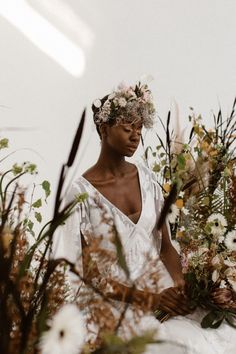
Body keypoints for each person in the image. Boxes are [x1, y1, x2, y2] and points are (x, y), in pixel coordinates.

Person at [54, 81, 236, 354]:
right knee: (177, 346)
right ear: (104, 129)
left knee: (223, 328)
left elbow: (165, 247)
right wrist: (151, 300)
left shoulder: (146, 178)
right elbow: (86, 275)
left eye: (139, 128)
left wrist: (180, 287)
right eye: (127, 127)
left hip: (160, 285)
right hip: (116, 300)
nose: (135, 135)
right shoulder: (79, 195)